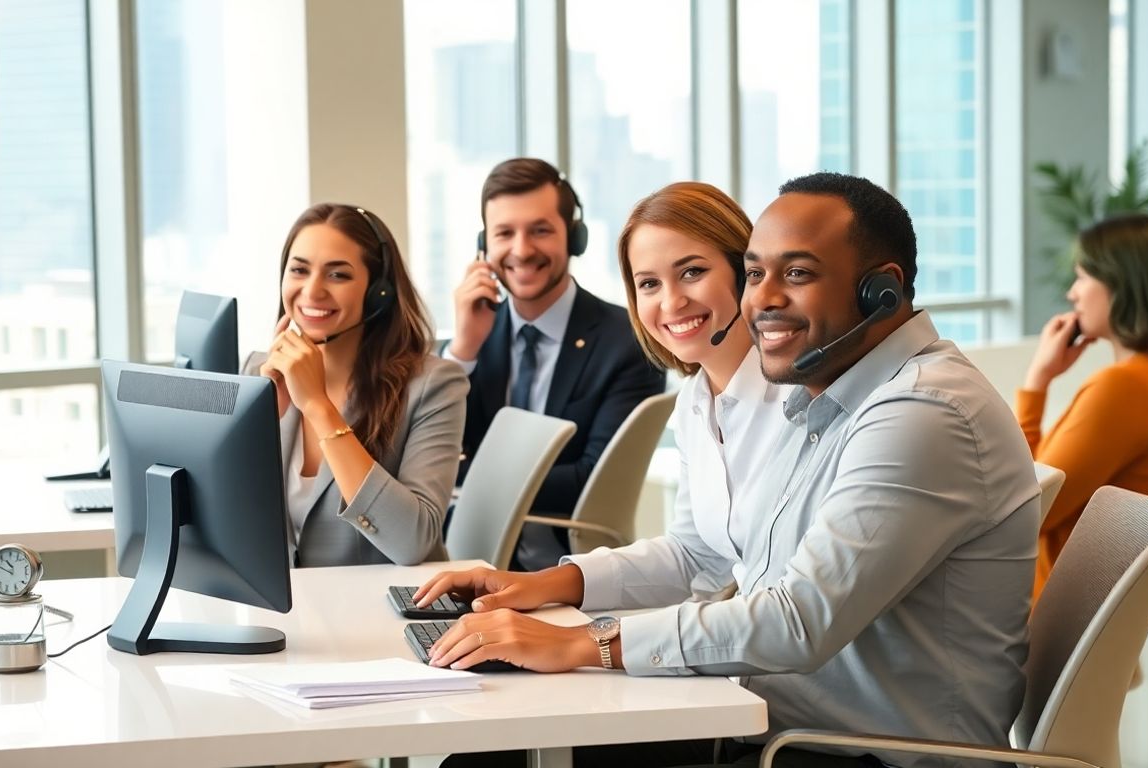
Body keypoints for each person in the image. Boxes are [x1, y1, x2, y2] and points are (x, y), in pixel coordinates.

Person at [417, 172, 1041, 768]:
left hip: (856, 753)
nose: (763, 299)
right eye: (757, 274)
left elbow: (798, 620)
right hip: (776, 724)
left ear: (881, 289)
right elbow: (708, 554)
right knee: (489, 761)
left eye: (797, 273)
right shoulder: (827, 398)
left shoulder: (921, 411)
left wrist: (584, 642)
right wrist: (546, 592)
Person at [444, 158, 665, 570]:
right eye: (504, 233)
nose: (521, 250)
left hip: (573, 573)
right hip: (464, 564)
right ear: (484, 245)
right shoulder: (470, 339)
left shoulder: (628, 341)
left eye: (540, 230)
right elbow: (430, 457)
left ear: (574, 237)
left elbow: (593, 481)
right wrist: (463, 352)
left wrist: (464, 475)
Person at [244, 202, 469, 568]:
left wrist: (318, 407)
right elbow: (225, 516)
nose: (312, 291)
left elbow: (413, 542)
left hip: (382, 599)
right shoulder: (258, 371)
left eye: (338, 275)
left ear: (379, 291)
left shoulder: (433, 386)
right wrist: (255, 423)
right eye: (299, 270)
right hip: (287, 600)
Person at [1018, 213, 1148, 602]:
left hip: (1037, 615)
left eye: (1082, 277)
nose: (1072, 293)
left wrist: (1036, 381)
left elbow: (1027, 510)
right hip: (1063, 613)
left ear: (1122, 287)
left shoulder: (1125, 389)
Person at [615, 181, 790, 599]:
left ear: (745, 273)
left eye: (692, 272)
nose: (671, 302)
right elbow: (693, 554)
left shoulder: (800, 398)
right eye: (649, 284)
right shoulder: (694, 401)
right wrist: (536, 584)